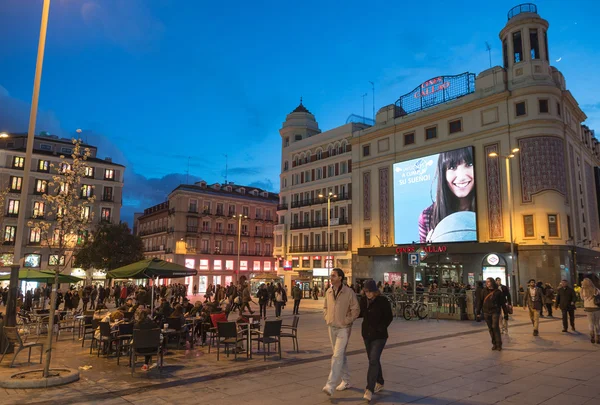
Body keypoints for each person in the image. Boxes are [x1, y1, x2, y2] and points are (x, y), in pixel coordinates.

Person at [418, 147, 475, 242]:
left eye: (469, 164)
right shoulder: (427, 216)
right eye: (452, 167)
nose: (461, 177)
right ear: (443, 173)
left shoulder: (489, 209)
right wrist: (426, 249)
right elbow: (419, 256)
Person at [322, 268, 360, 397]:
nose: (331, 278)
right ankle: (346, 380)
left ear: (340, 278)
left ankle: (330, 385)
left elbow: (356, 309)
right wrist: (327, 317)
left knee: (337, 356)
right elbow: (325, 307)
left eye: (333, 275)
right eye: (331, 275)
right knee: (339, 355)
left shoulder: (349, 292)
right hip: (331, 326)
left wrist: (346, 321)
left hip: (343, 328)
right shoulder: (328, 291)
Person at [358, 280, 393, 402]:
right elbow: (360, 313)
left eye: (370, 291)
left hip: (379, 336)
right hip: (367, 335)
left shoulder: (382, 301)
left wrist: (380, 328)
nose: (368, 294)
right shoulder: (363, 300)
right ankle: (380, 381)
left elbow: (389, 317)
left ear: (375, 291)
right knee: (373, 360)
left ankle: (369, 389)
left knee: (373, 359)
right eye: (366, 291)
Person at [482, 278, 505, 351]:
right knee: (490, 328)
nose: (487, 283)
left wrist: (506, 313)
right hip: (486, 312)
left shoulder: (498, 292)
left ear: (492, 282)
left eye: (488, 282)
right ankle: (494, 343)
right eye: (486, 282)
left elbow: (502, 303)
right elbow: (480, 301)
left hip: (495, 311)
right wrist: (478, 312)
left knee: (495, 326)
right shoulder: (484, 291)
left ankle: (499, 344)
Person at [580, 278, 600, 344]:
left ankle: (592, 335)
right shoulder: (596, 289)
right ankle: (598, 336)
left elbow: (582, 298)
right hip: (596, 307)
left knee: (590, 322)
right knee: (597, 323)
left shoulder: (582, 290)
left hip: (588, 308)